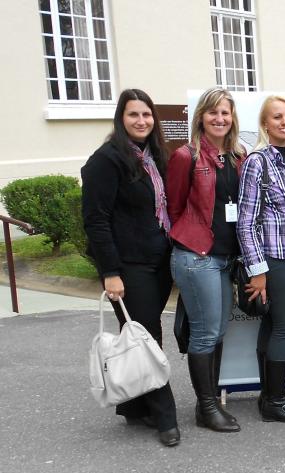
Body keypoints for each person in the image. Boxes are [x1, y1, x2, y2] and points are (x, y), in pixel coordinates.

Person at [81, 88, 180, 447]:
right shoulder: (106, 160)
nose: (141, 121)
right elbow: (96, 219)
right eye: (133, 115)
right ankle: (165, 415)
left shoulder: (157, 157)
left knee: (139, 332)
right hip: (127, 265)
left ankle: (135, 407)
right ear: (121, 119)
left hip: (158, 260)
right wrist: (110, 271)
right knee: (147, 335)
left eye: (146, 115)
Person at [166, 87, 246, 433]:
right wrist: (190, 241)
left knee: (219, 331)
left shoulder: (238, 155)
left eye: (225, 113)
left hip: (225, 258)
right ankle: (207, 406)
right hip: (197, 256)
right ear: (201, 116)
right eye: (213, 112)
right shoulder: (186, 156)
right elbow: (174, 207)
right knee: (205, 333)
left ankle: (209, 400)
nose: (220, 119)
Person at [237, 95, 285, 424]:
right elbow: (246, 222)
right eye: (277, 117)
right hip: (272, 257)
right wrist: (258, 271)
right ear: (265, 124)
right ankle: (277, 401)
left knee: (272, 324)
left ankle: (268, 398)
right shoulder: (258, 161)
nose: (284, 122)